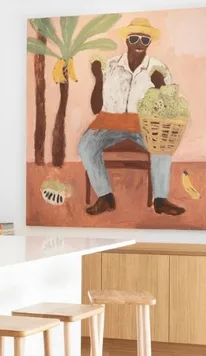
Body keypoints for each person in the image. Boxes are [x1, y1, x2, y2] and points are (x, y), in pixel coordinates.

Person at [78, 17, 184, 216]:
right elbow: (96, 108)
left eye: (144, 40)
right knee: (85, 146)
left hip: (144, 126)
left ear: (149, 43)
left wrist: (161, 86)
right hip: (109, 123)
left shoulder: (158, 68)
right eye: (134, 38)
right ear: (127, 41)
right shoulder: (109, 66)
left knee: (162, 146)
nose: (139, 44)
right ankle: (105, 196)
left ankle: (160, 200)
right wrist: (99, 79)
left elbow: (169, 107)